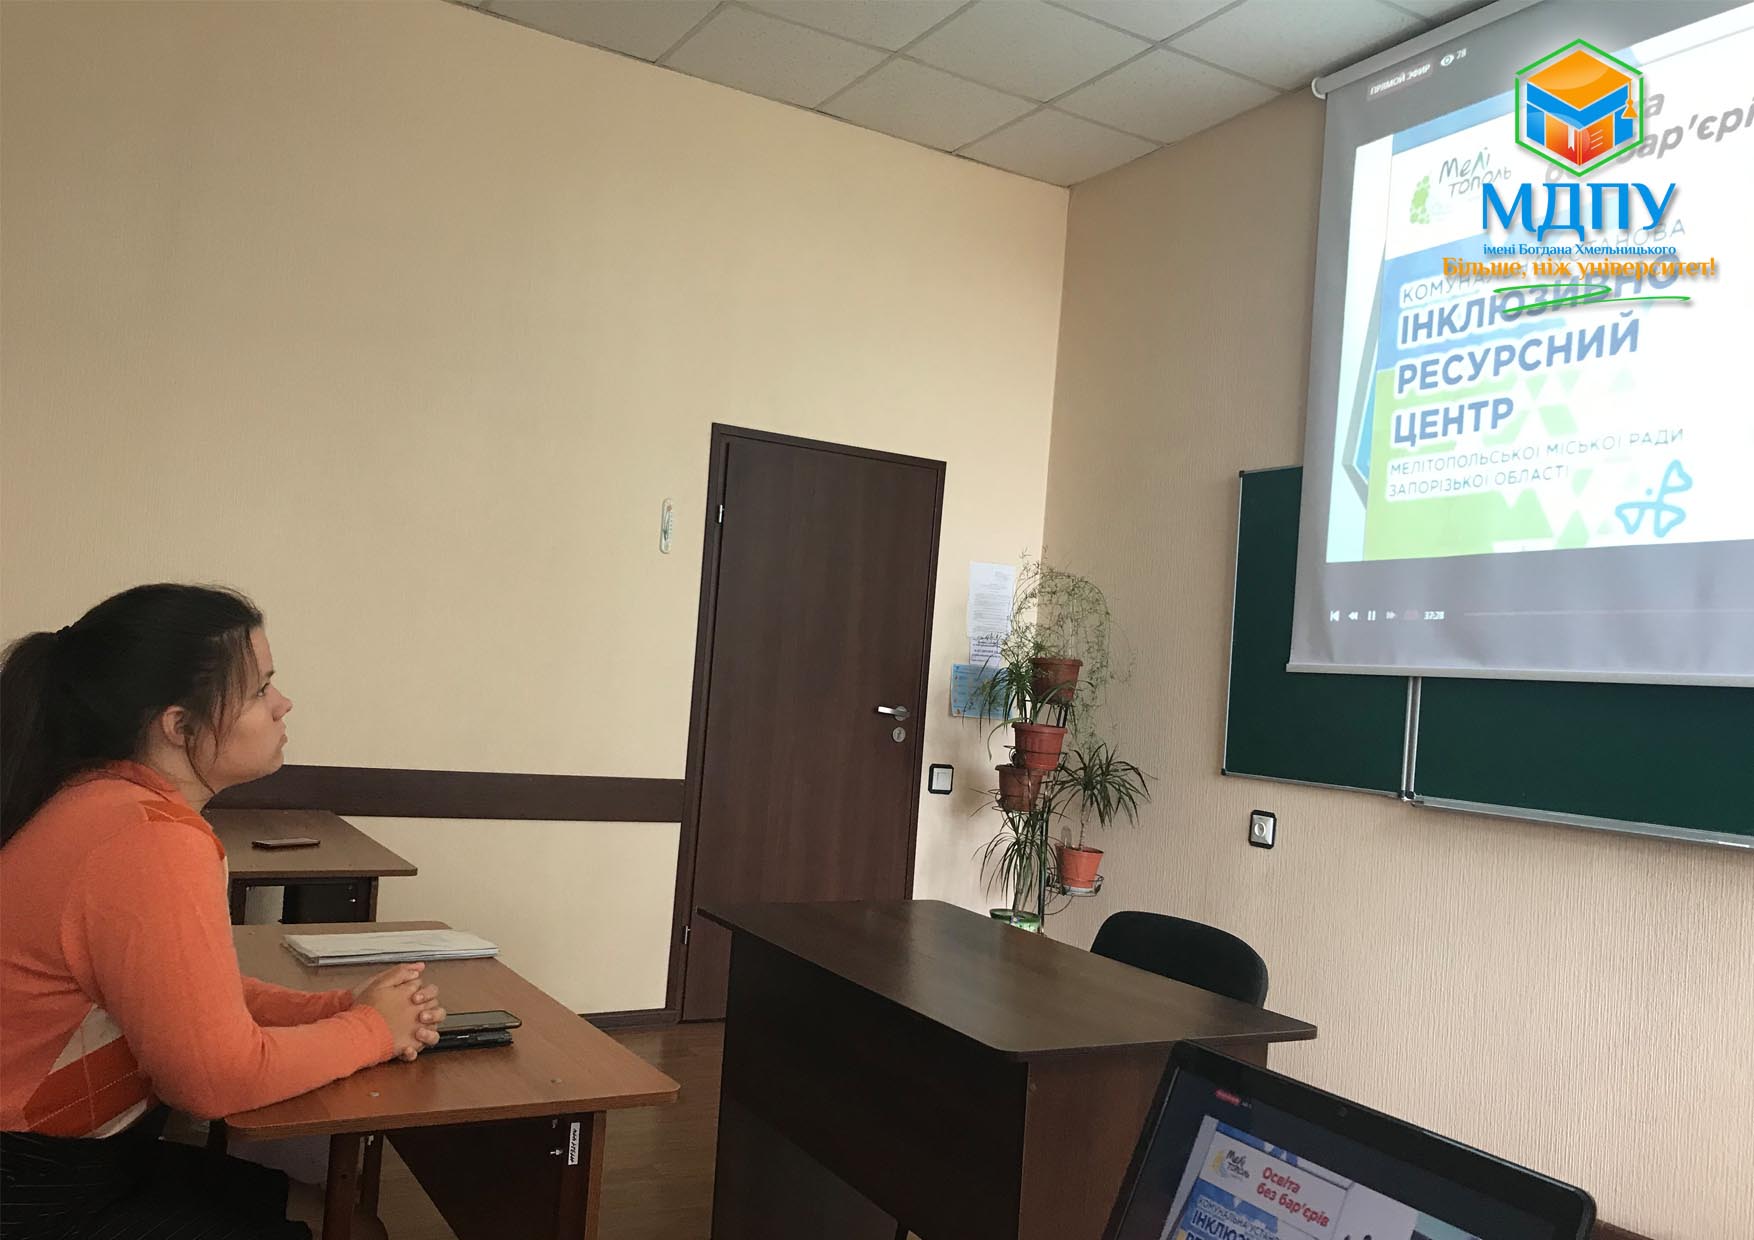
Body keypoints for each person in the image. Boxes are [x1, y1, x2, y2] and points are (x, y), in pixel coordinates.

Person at [0, 584, 446, 1239]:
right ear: (179, 726)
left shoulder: (101, 804)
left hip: (69, 1161)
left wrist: (340, 1008)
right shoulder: (146, 839)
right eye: (260, 688)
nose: (282, 703)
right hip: (36, 1191)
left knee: (339, 1217)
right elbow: (213, 1081)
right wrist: (375, 1030)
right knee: (346, 1225)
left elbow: (186, 996)